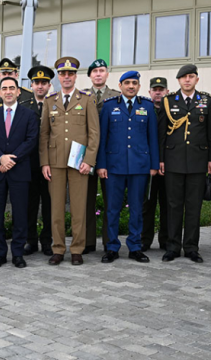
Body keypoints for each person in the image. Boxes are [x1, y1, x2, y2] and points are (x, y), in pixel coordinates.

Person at [39, 56, 99, 266]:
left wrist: (89, 161)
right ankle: (58, 249)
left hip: (79, 162)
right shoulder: (50, 100)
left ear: (75, 76)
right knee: (56, 209)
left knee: (78, 208)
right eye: (63, 74)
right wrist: (44, 163)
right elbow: (44, 135)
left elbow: (94, 133)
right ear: (58, 76)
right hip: (55, 163)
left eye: (70, 74)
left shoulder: (86, 99)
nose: (66, 77)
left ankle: (77, 249)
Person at [96, 71, 159, 263]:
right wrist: (101, 165)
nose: (131, 86)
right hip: (114, 167)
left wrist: (154, 164)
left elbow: (153, 138)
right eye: (127, 83)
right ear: (120, 85)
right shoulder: (109, 107)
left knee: (137, 210)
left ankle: (135, 247)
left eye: (134, 83)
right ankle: (112, 247)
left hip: (140, 167)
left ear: (139, 86)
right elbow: (102, 138)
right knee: (113, 209)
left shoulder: (147, 106)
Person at [159, 64, 211, 264]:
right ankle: (173, 246)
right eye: (184, 77)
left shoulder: (207, 101)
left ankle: (192, 247)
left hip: (198, 162)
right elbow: (161, 133)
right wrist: (160, 159)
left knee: (194, 206)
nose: (187, 80)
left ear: (196, 80)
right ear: (178, 81)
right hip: (173, 161)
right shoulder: (168, 101)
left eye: (191, 76)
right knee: (174, 205)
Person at [0, 58, 39, 247]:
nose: (8, 92)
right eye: (4, 89)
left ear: (18, 91)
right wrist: (0, 158)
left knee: (20, 214)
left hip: (20, 169)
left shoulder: (28, 113)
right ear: (0, 92)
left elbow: (31, 139)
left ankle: (18, 253)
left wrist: (12, 159)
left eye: (12, 88)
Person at [83, 59, 121, 254]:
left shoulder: (116, 96)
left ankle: (109, 241)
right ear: (90, 75)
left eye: (101, 71)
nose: (98, 74)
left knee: (111, 201)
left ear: (107, 74)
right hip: (86, 155)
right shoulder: (81, 96)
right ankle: (88, 242)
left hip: (110, 155)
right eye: (94, 71)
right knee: (86, 201)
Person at [25, 65, 54, 256]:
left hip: (51, 164)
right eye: (37, 83)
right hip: (29, 164)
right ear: (31, 85)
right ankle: (31, 241)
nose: (40, 86)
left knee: (50, 205)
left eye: (44, 83)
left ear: (49, 85)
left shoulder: (56, 104)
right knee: (30, 204)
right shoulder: (24, 107)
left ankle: (47, 241)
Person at [141, 77, 169, 252]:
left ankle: (166, 240)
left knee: (167, 205)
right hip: (148, 166)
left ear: (166, 91)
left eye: (161, 89)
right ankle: (145, 240)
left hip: (168, 166)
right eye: (155, 89)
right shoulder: (143, 109)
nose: (158, 92)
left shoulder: (172, 110)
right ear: (150, 92)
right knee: (147, 205)